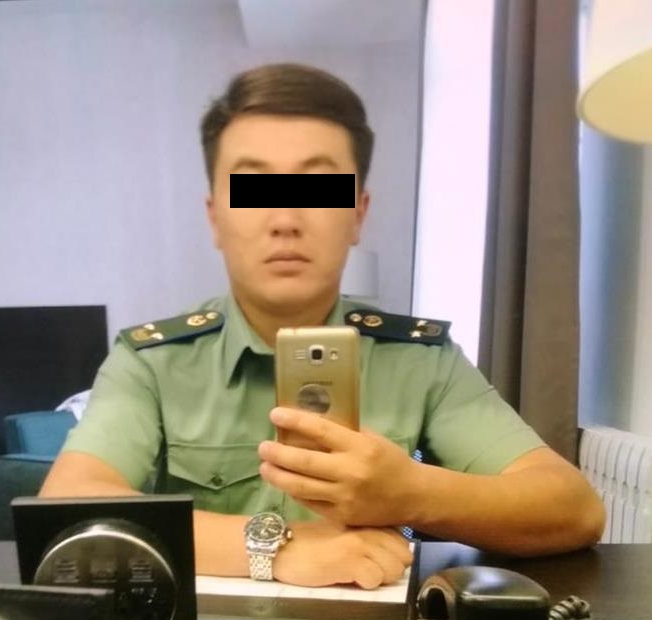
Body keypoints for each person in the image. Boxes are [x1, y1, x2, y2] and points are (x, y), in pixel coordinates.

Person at [40, 62, 605, 588]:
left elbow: (572, 508)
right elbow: (66, 508)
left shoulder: (420, 358)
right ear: (215, 217)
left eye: (317, 188)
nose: (285, 219)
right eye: (253, 189)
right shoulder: (152, 361)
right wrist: (277, 549)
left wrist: (411, 492)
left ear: (358, 214)